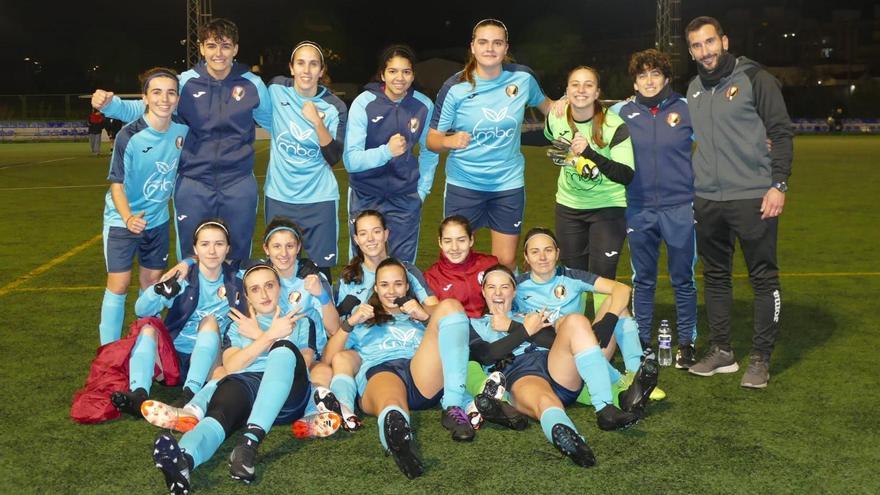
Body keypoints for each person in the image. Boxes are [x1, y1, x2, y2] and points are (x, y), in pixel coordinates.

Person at [92, 18, 271, 262]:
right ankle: (189, 299)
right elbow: (150, 107)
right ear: (201, 48)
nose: (218, 53)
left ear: (236, 49)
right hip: (193, 182)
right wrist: (111, 105)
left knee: (237, 252)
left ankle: (234, 299)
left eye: (226, 46)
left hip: (238, 182)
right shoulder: (185, 82)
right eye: (211, 46)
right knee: (191, 254)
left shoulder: (253, 84)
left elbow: (276, 123)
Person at [684, 16, 793, 388]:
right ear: (691, 51)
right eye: (697, 46)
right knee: (715, 277)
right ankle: (722, 351)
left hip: (753, 196)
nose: (705, 51)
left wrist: (778, 184)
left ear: (724, 41)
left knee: (763, 278)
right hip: (708, 199)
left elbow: (780, 131)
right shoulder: (694, 88)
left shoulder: (754, 78)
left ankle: (760, 358)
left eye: (710, 42)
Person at [151, 263, 316, 493]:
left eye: (269, 286)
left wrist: (266, 337)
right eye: (255, 289)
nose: (264, 294)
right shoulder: (237, 324)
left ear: (280, 288)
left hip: (288, 396)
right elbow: (232, 364)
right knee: (218, 415)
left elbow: (305, 363)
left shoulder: (300, 320)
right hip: (247, 384)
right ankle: (184, 462)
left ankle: (249, 444)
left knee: (284, 348)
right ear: (247, 296)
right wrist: (268, 336)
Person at [469, 265, 653, 467]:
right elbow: (485, 355)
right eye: (491, 287)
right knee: (544, 401)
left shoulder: (529, 316)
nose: (498, 293)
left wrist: (518, 326)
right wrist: (523, 333)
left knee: (575, 321)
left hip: (557, 366)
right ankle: (573, 442)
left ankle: (605, 408)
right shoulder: (475, 324)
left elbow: (558, 340)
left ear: (514, 292)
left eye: (504, 287)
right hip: (521, 373)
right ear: (483, 291)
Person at [323, 258, 474, 479]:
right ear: (376, 287)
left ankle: (452, 406)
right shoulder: (363, 316)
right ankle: (401, 445)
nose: (391, 291)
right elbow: (329, 357)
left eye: (398, 284)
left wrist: (423, 316)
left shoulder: (417, 313)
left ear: (407, 286)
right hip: (380, 369)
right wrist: (350, 322)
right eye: (384, 284)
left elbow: (454, 338)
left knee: (450, 305)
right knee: (391, 403)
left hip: (419, 373)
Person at [427, 18, 557, 269]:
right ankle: (461, 309)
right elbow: (432, 140)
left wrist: (581, 107)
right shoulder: (454, 87)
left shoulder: (523, 78)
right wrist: (449, 141)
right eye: (483, 42)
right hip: (464, 184)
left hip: (507, 184)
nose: (490, 48)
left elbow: (550, 107)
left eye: (497, 43)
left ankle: (500, 310)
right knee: (457, 259)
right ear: (472, 47)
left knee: (505, 262)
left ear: (506, 48)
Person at [610, 49, 698, 368]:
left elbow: (715, 139)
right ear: (634, 82)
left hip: (680, 207)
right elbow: (587, 124)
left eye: (655, 74)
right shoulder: (620, 111)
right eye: (642, 75)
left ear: (666, 78)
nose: (649, 81)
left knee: (682, 278)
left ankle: (687, 342)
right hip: (639, 208)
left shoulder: (687, 109)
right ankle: (643, 341)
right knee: (643, 279)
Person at [109, 219, 244, 417]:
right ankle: (139, 394)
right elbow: (141, 310)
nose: (212, 251)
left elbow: (269, 269)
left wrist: (303, 267)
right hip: (174, 360)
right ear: (195, 249)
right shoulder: (182, 279)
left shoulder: (238, 278)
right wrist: (158, 291)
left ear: (228, 249)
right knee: (148, 328)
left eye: (219, 244)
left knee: (209, 320)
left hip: (210, 362)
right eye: (205, 244)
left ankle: (190, 392)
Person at [515, 227, 665, 400]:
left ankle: (637, 374)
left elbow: (622, 289)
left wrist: (609, 321)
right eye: (535, 252)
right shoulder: (516, 286)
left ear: (557, 253)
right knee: (567, 322)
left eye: (548, 250)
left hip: (583, 351)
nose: (542, 257)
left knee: (615, 304)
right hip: (548, 362)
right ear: (526, 256)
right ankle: (609, 379)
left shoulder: (572, 277)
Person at [98, 68, 188, 345]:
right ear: (145, 98)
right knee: (120, 285)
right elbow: (117, 185)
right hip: (122, 220)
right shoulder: (129, 136)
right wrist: (127, 218)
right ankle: (109, 353)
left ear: (178, 98)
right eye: (157, 92)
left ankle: (145, 346)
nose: (164, 99)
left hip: (158, 222)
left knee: (151, 287)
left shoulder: (183, 129)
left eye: (171, 92)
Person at [544, 66, 634, 316]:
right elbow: (555, 141)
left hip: (607, 209)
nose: (581, 90)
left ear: (597, 92)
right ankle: (576, 339)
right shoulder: (556, 117)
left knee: (603, 279)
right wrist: (572, 159)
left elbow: (625, 174)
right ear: (567, 90)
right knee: (573, 279)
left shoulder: (614, 125)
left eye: (588, 85)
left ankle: (603, 343)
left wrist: (589, 153)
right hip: (569, 208)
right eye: (575, 84)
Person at [343, 44, 439, 264]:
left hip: (404, 197)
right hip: (365, 195)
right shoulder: (364, 103)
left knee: (401, 267)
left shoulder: (423, 105)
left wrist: (422, 190)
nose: (400, 78)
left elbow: (430, 150)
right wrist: (386, 151)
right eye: (393, 71)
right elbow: (351, 161)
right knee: (362, 265)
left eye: (406, 72)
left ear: (413, 75)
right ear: (383, 74)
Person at [264, 41, 347, 281]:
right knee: (279, 270)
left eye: (313, 64)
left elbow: (333, 156)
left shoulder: (335, 107)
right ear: (291, 68)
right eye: (301, 63)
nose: (306, 70)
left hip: (319, 200)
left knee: (320, 273)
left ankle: (322, 318)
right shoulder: (276, 89)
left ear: (322, 71)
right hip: (280, 197)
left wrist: (317, 122)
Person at [424, 214, 498, 317]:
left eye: (461, 240)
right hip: (456, 330)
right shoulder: (431, 277)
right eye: (448, 241)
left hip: (490, 327)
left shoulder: (490, 265)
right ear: (440, 242)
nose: (454, 247)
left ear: (471, 240)